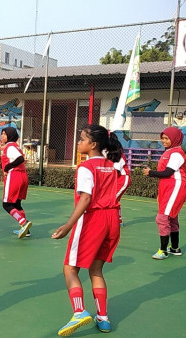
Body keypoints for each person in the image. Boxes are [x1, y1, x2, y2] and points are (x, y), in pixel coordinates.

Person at [52, 124, 122, 335]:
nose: (78, 143)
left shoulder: (86, 167)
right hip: (113, 220)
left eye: (81, 139)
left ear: (93, 144)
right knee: (96, 270)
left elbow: (86, 198)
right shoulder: (111, 165)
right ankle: (103, 317)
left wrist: (68, 225)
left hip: (94, 220)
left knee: (70, 268)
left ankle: (79, 311)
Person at [143, 126, 186, 259]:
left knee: (161, 218)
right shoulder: (170, 152)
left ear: (175, 139)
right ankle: (174, 248)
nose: (164, 141)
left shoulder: (176, 153)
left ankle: (163, 251)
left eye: (167, 138)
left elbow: (168, 172)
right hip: (169, 186)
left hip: (175, 186)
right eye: (162, 138)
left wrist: (150, 172)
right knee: (171, 217)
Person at [0, 127, 32, 239]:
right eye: (2, 134)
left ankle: (23, 222)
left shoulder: (9, 147)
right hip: (23, 176)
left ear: (10, 135)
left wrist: (7, 167)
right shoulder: (16, 146)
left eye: (4, 134)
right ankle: (26, 230)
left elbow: (19, 159)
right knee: (17, 204)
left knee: (6, 204)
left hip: (14, 176)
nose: (2, 136)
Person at [110, 133, 131, 227]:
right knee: (113, 199)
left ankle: (115, 220)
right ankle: (118, 220)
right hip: (117, 179)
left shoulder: (117, 154)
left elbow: (116, 171)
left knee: (111, 199)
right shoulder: (109, 153)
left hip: (122, 179)